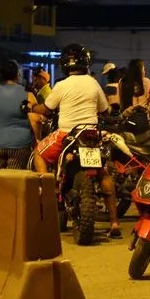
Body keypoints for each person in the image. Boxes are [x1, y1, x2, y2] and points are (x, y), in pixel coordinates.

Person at [28, 44, 122, 238]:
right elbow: (105, 111)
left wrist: (31, 107)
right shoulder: (93, 83)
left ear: (64, 64)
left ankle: (48, 194)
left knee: (38, 154)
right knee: (103, 173)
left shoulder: (62, 85)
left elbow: (46, 110)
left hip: (66, 135)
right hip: (91, 135)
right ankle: (114, 223)